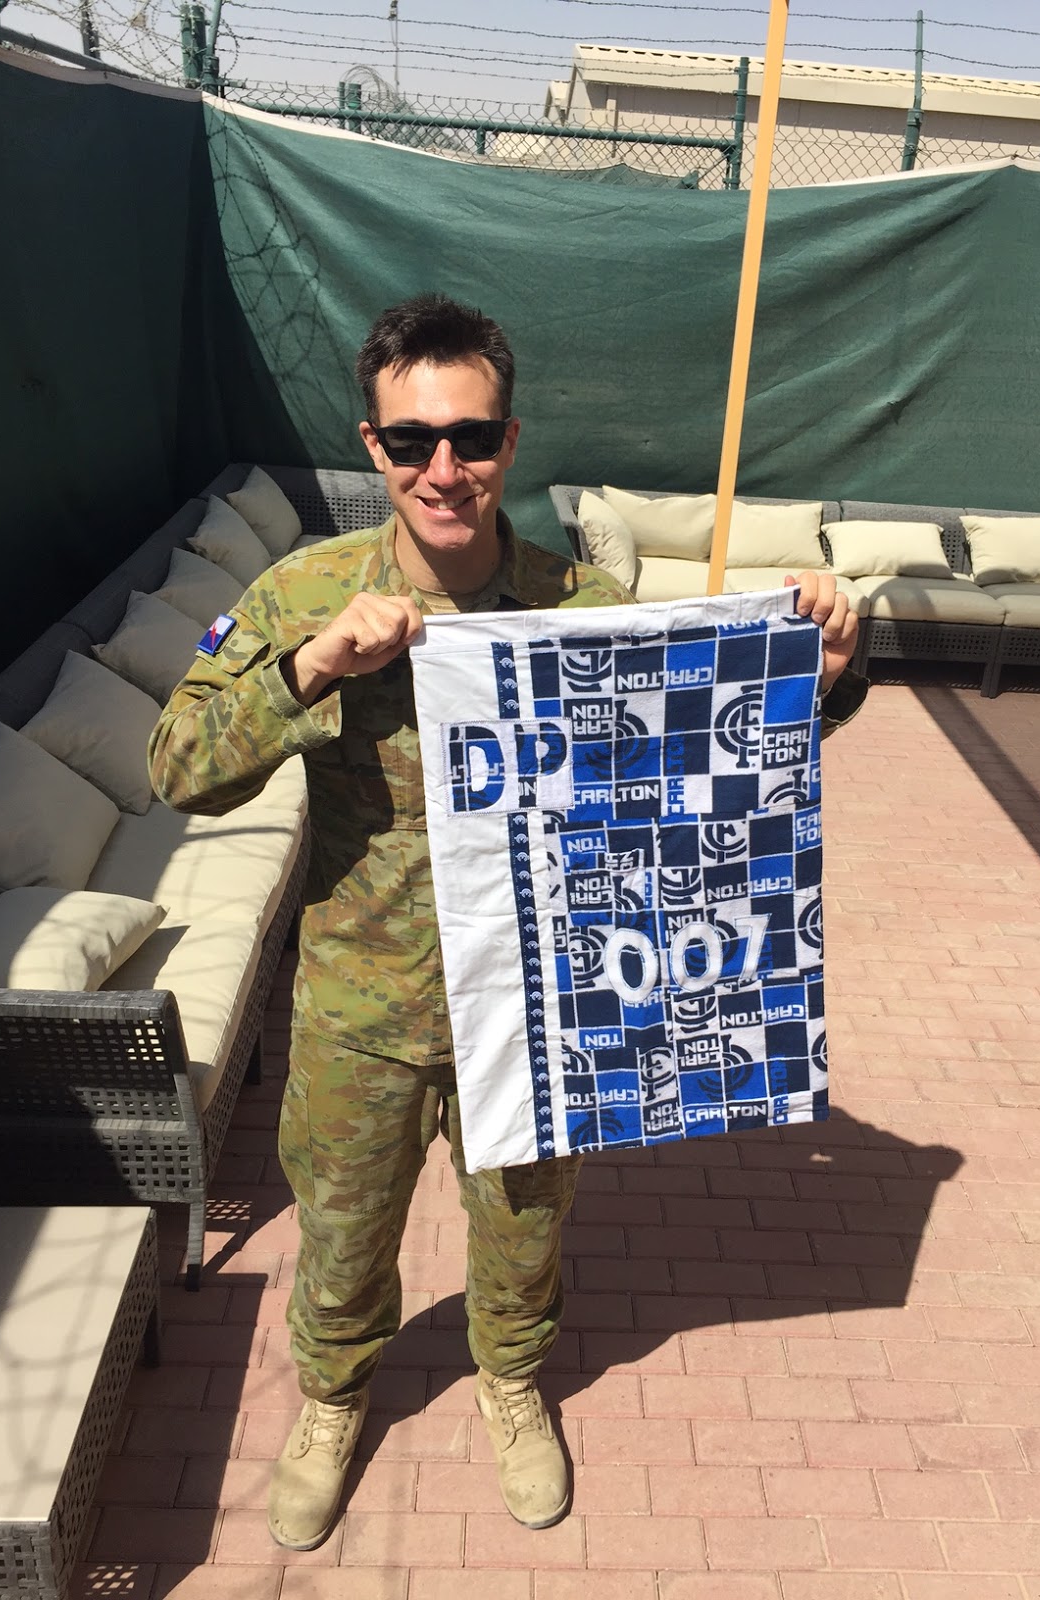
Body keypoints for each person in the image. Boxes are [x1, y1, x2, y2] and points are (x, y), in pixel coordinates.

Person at [149, 292, 867, 1552]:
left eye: (472, 438)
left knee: (525, 1233)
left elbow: (711, 751)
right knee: (342, 1233)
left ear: (510, 441)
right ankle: (332, 1400)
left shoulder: (577, 610)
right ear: (373, 446)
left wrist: (822, 666)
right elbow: (179, 766)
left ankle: (513, 1382)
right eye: (413, 440)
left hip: (545, 1011)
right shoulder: (304, 593)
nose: (445, 469)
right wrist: (313, 666)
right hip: (362, 1013)